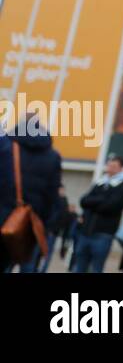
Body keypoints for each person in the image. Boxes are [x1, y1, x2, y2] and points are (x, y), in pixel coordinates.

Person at [0, 113, 63, 273]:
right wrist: (44, 223)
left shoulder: (6, 146)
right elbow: (52, 197)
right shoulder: (52, 157)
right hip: (26, 223)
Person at [71, 153, 123, 273]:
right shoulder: (100, 182)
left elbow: (111, 207)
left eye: (114, 166)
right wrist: (101, 199)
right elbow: (84, 201)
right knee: (79, 267)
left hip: (103, 235)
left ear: (121, 168)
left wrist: (94, 202)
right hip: (85, 232)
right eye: (109, 165)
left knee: (96, 268)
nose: (110, 169)